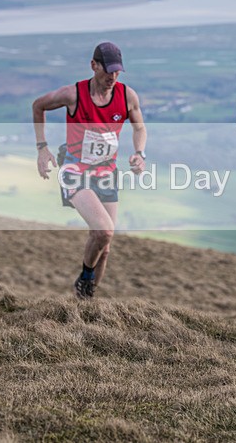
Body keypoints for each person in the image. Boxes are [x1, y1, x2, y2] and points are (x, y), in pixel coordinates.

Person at [32, 42, 147, 299]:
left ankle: (85, 303)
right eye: (108, 71)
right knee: (104, 230)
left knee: (105, 247)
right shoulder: (73, 94)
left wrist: (139, 153)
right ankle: (85, 277)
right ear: (93, 65)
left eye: (117, 72)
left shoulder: (127, 96)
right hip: (75, 171)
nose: (112, 77)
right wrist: (42, 148)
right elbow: (38, 106)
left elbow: (139, 128)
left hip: (107, 174)